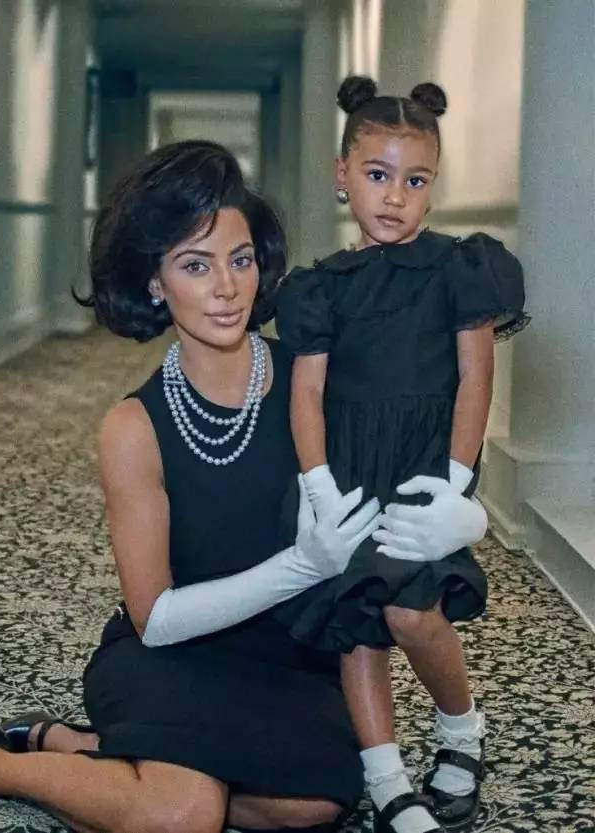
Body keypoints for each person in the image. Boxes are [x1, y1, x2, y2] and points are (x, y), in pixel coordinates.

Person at [0, 140, 488, 833]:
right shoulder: (133, 427)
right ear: (155, 282)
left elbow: (418, 436)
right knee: (184, 815)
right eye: (195, 265)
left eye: (239, 260)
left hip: (293, 654)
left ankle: (79, 745)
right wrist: (301, 566)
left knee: (316, 803)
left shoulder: (315, 380)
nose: (227, 288)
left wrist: (465, 514)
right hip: (177, 652)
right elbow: (155, 618)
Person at [275, 77, 529, 833]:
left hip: (424, 468)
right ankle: (387, 780)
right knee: (357, 621)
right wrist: (318, 487)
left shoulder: (460, 269)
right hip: (350, 469)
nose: (394, 196)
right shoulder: (322, 287)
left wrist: (458, 484)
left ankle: (462, 731)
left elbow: (476, 379)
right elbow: (306, 393)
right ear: (342, 174)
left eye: (415, 180)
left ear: (433, 184)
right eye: (377, 174)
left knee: (412, 614)